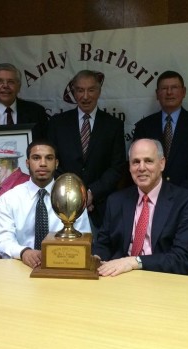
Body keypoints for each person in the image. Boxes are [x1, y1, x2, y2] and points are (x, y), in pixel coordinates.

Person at [92, 139, 188, 277]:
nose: (141, 168)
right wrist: (95, 259)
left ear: (162, 164)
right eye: (136, 162)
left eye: (148, 161)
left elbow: (183, 259)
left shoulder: (187, 202)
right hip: (122, 280)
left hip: (168, 280)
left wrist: (134, 262)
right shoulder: (116, 201)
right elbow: (104, 244)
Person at [0, 140, 91, 268]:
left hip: (64, 267)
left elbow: (84, 237)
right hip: (20, 267)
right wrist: (23, 252)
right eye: (36, 158)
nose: (43, 163)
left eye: (49, 158)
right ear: (27, 163)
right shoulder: (8, 199)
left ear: (56, 163)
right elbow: (1, 240)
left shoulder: (73, 197)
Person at [48, 70, 126, 231]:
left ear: (99, 91)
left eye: (91, 90)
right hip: (64, 207)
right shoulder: (57, 124)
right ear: (74, 92)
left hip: (101, 207)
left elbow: (117, 167)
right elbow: (52, 163)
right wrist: (74, 195)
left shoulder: (113, 125)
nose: (85, 96)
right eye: (80, 90)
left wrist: (91, 193)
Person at [133, 70, 188, 193]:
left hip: (187, 199)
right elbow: (138, 165)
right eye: (164, 88)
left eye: (174, 87)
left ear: (184, 92)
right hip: (151, 196)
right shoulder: (144, 127)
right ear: (157, 94)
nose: (169, 92)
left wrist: (178, 196)